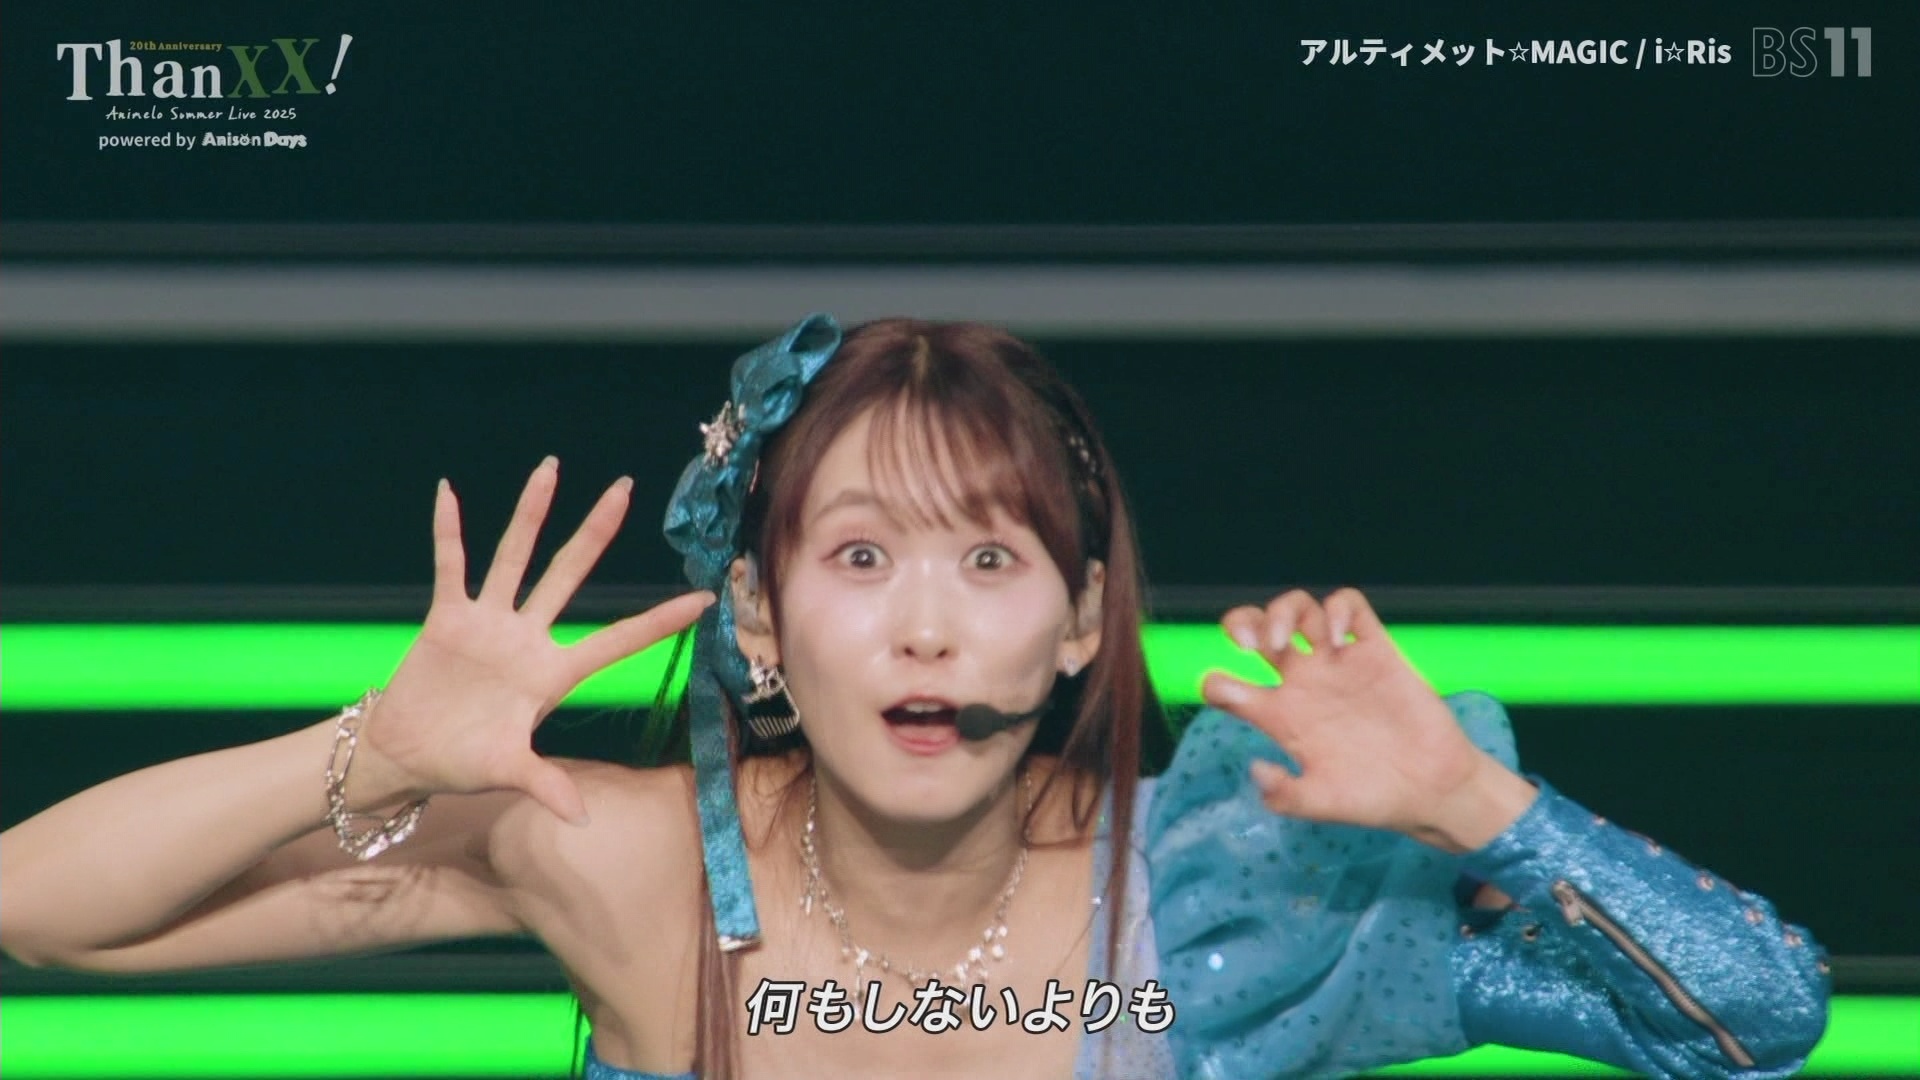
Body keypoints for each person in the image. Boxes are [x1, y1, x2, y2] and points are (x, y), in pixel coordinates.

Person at [0, 314, 1830, 1079]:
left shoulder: (1228, 900)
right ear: (761, 619)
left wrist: (1481, 812)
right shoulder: (627, 865)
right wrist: (371, 752)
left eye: (993, 561)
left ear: (1083, 624)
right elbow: (43, 915)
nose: (929, 632)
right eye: (863, 558)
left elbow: (1759, 1021)